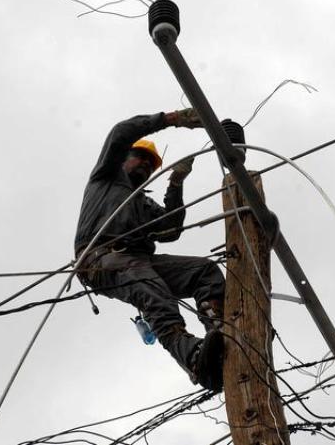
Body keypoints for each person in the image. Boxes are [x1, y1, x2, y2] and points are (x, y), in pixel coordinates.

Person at [74, 108, 225, 392]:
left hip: (138, 260)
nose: (145, 163)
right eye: (139, 157)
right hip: (100, 258)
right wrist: (171, 119)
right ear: (124, 158)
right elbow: (121, 132)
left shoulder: (143, 204)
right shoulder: (107, 176)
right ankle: (193, 358)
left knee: (203, 271)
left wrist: (176, 183)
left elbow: (171, 230)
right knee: (152, 290)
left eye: (151, 162)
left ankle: (222, 332)